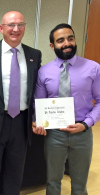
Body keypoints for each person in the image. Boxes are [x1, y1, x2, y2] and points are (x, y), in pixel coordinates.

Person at [0, 11, 42, 195]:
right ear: (1, 28)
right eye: (11, 25)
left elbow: (36, 90)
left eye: (20, 24)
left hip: (21, 123)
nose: (15, 29)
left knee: (15, 174)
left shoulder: (34, 55)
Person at [33, 23, 100, 195]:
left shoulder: (93, 68)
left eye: (70, 38)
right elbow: (38, 102)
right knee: (53, 182)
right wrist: (37, 121)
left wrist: (86, 124)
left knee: (79, 183)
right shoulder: (44, 71)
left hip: (82, 133)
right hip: (54, 134)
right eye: (60, 40)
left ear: (75, 40)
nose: (66, 43)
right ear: (52, 45)